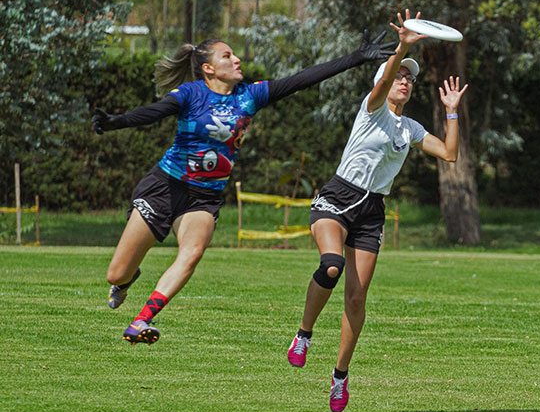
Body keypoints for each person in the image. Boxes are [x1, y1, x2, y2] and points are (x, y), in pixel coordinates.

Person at [92, 30, 396, 345]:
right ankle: (126, 280)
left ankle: (142, 319)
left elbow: (302, 79)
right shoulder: (190, 93)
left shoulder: (249, 95)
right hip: (165, 187)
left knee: (193, 252)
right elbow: (156, 111)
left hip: (203, 197)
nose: (237, 59)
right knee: (116, 273)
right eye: (227, 56)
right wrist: (119, 121)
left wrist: (356, 58)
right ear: (208, 68)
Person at [286, 10, 468, 412]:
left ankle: (340, 377)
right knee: (331, 264)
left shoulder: (410, 129)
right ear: (383, 83)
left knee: (356, 298)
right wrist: (403, 45)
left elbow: (450, 154)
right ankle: (303, 334)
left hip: (371, 212)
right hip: (337, 198)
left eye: (410, 77)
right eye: (399, 75)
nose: (404, 80)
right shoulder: (372, 110)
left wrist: (452, 109)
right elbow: (385, 77)